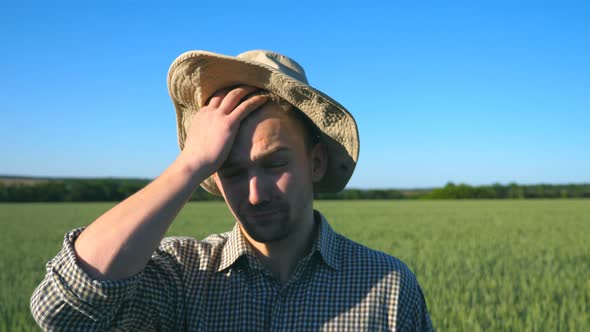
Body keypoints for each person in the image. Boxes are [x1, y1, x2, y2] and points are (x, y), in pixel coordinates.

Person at [31, 50, 433, 331]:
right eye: (232, 171)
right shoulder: (183, 276)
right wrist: (191, 163)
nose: (255, 194)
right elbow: (60, 312)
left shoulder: (388, 284)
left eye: (275, 164)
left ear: (316, 162)